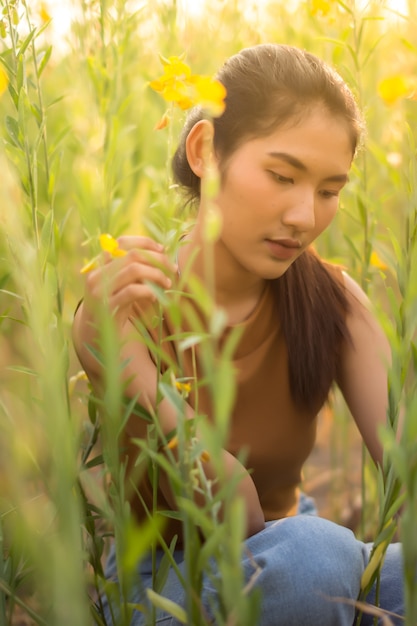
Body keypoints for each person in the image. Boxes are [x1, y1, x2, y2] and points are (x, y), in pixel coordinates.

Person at [73, 43, 404, 625]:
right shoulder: (129, 304)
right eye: (282, 175)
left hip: (314, 557)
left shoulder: (333, 301)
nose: (305, 216)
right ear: (204, 151)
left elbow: (407, 458)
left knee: (326, 560)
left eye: (329, 191)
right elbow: (229, 501)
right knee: (314, 559)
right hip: (166, 582)